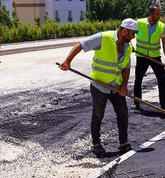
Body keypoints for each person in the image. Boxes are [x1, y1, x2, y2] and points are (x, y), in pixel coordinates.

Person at [60, 18, 140, 157]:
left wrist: (124, 86)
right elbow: (81, 44)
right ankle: (96, 144)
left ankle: (123, 143)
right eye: (132, 34)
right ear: (125, 30)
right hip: (99, 86)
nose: (133, 37)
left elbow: (126, 67)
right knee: (98, 115)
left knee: (123, 113)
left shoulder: (127, 46)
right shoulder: (103, 38)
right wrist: (67, 61)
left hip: (116, 86)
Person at [133, 4, 165, 112]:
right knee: (138, 79)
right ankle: (137, 102)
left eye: (160, 13)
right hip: (141, 56)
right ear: (151, 14)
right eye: (157, 14)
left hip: (155, 57)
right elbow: (132, 33)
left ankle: (164, 106)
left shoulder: (161, 26)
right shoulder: (140, 23)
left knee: (162, 80)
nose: (159, 16)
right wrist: (138, 36)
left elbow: (164, 44)